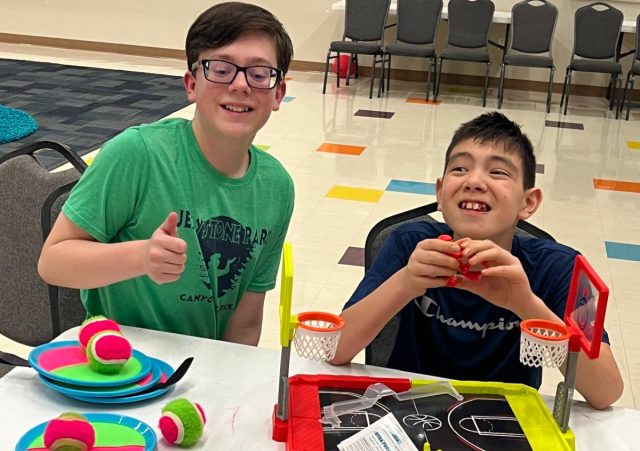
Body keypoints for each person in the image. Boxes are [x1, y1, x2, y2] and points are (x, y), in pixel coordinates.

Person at [38, 2, 295, 345]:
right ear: (191, 84)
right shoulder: (138, 153)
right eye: (220, 69)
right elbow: (53, 262)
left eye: (259, 74)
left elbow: (246, 322)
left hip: (200, 373)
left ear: (277, 93)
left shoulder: (277, 187)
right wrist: (142, 257)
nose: (240, 85)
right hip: (119, 366)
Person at [332, 112, 623, 409]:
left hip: (503, 418)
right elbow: (335, 350)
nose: (474, 181)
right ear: (440, 193)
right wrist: (405, 282)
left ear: (528, 202)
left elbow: (605, 392)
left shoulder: (557, 268)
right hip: (412, 410)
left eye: (498, 172)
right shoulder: (409, 244)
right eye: (460, 168)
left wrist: (526, 304)